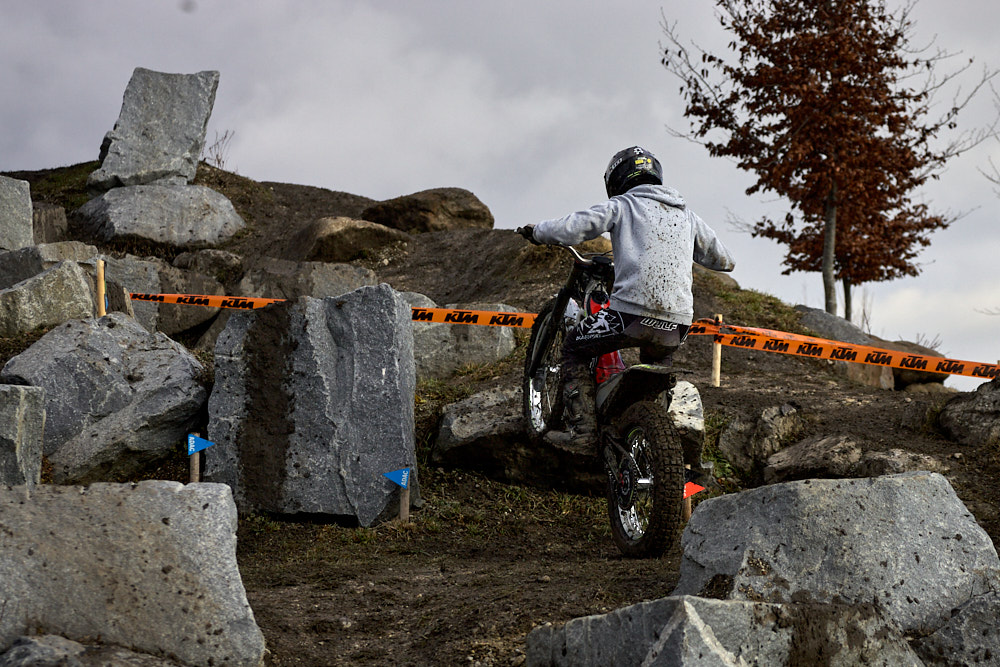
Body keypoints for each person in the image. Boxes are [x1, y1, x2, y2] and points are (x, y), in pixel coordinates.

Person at [517, 145, 735, 448]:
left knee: (574, 348)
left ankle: (583, 432)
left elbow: (574, 227)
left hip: (629, 317)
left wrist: (537, 231)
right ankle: (645, 436)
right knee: (655, 371)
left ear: (616, 178)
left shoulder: (622, 205)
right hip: (677, 326)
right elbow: (725, 261)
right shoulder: (687, 216)